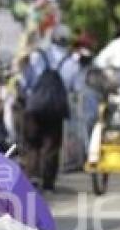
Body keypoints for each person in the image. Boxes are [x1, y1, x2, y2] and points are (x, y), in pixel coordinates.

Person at [20, 24, 78, 191]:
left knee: (32, 143)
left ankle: (31, 176)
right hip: (56, 109)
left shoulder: (37, 56)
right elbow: (74, 87)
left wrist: (26, 94)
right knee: (51, 145)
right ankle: (48, 181)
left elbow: (26, 81)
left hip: (35, 105)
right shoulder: (71, 62)